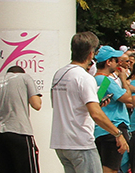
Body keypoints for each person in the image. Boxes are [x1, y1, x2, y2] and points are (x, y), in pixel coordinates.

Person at [51, 32, 129, 173]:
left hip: (61, 142)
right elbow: (96, 114)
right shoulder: (84, 77)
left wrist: (96, 105)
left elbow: (63, 105)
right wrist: (117, 134)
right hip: (80, 142)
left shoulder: (59, 75)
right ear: (91, 54)